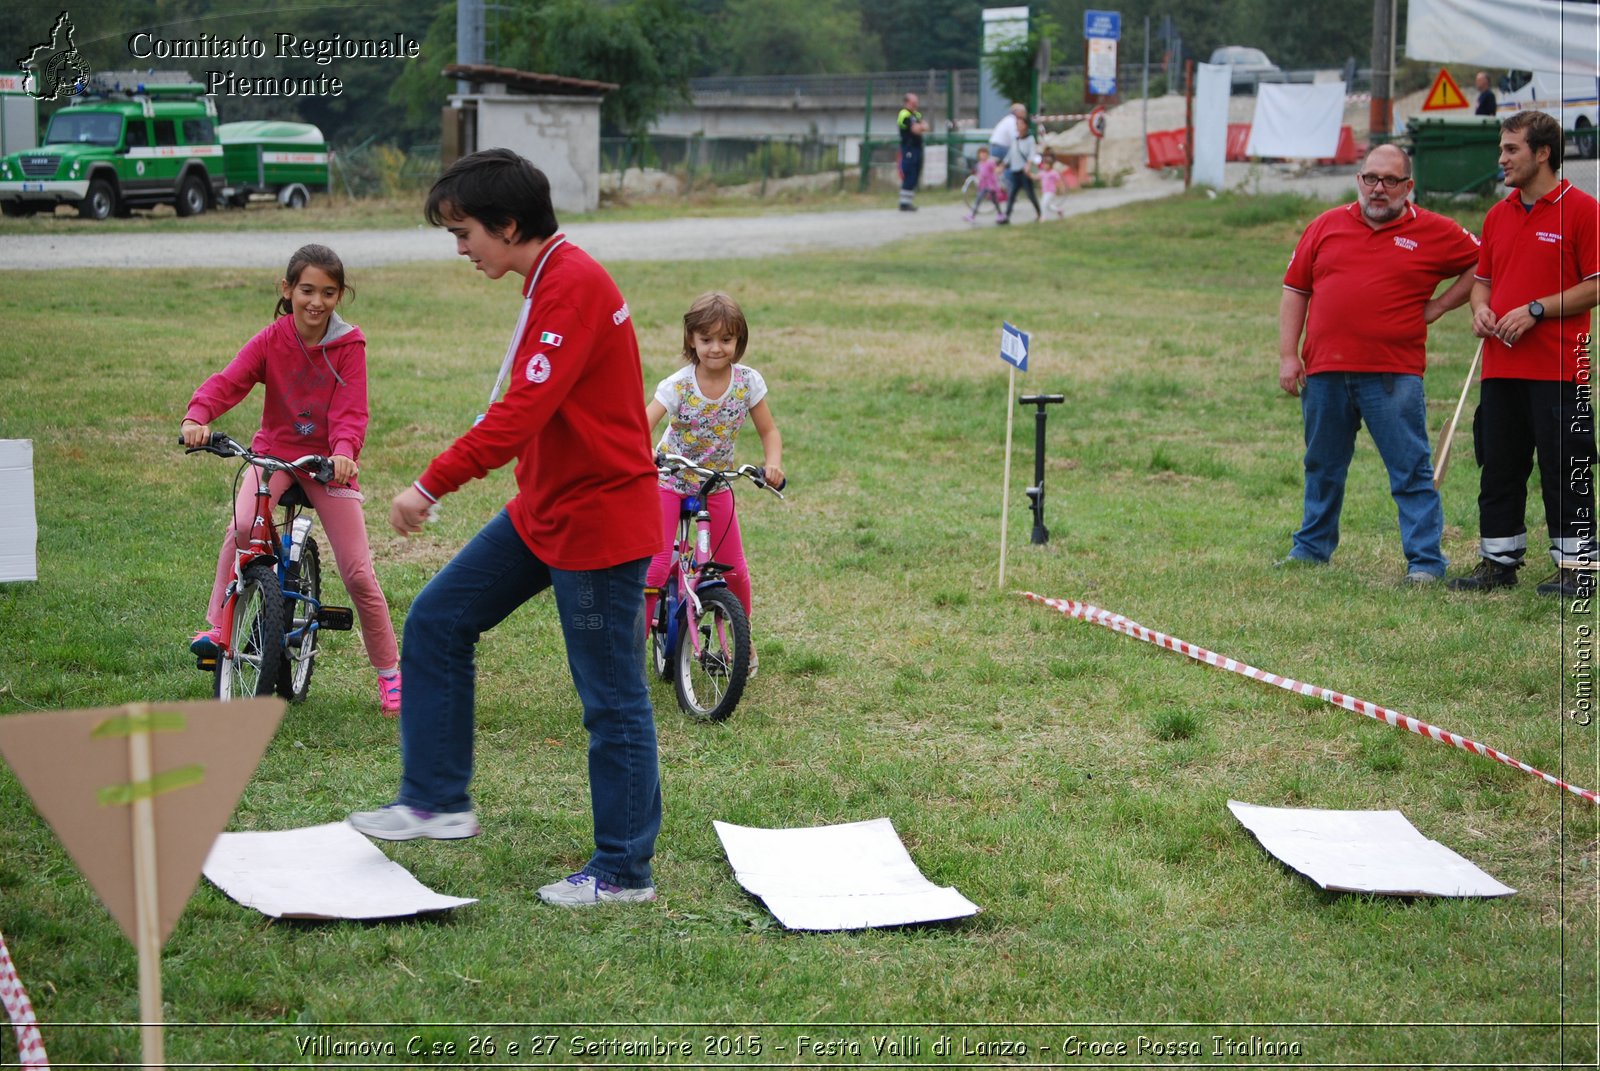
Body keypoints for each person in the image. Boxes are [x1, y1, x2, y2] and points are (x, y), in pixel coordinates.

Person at [346, 148, 664, 907]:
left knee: (612, 698)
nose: (461, 251)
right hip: (545, 510)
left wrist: (430, 483)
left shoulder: (575, 286)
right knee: (439, 619)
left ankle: (623, 871)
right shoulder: (548, 276)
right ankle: (436, 800)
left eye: (465, 234)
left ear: (508, 224)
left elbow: (520, 414)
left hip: (596, 528)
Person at [181, 244, 402, 714]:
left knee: (359, 574)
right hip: (273, 454)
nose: (316, 302)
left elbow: (350, 412)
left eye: (328, 292)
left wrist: (343, 454)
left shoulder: (349, 346)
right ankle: (217, 628)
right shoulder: (271, 339)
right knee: (243, 526)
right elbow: (231, 380)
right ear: (288, 290)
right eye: (306, 290)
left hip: (326, 463)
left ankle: (390, 674)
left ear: (340, 295)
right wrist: (198, 416)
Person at [1277, 144, 1481, 583]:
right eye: (1371, 178)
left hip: (1394, 374)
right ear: (1358, 180)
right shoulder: (1325, 226)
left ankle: (1425, 562)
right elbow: (1296, 289)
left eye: (1390, 181)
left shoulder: (1435, 230)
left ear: (1408, 187)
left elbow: (1485, 260)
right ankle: (1311, 549)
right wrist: (1288, 355)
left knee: (1411, 469)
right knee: (1322, 465)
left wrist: (1443, 304)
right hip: (1325, 371)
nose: (1378, 188)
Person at [1449, 111, 1600, 596]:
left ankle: (1579, 569)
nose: (1502, 159)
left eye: (1511, 149)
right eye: (1502, 149)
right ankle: (1498, 561)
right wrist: (1480, 311)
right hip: (1501, 368)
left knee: (1564, 467)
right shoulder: (1497, 214)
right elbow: (1483, 284)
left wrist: (1536, 309)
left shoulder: (1584, 210)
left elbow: (1595, 286)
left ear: (1543, 153)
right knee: (1499, 464)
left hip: (1560, 368)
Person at [644, 292, 784, 675]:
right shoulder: (678, 385)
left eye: (726, 339)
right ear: (691, 339)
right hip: (670, 479)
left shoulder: (747, 382)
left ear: (739, 341)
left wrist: (773, 464)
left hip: (715, 482)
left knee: (735, 570)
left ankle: (744, 640)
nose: (716, 348)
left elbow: (769, 432)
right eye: (706, 339)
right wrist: (642, 453)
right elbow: (643, 423)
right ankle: (627, 650)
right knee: (655, 569)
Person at [999, 116, 1041, 224]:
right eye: (1017, 124)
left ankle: (1039, 214)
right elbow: (1010, 154)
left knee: (1030, 194)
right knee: (1011, 195)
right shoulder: (1015, 139)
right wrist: (1003, 164)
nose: (1018, 126)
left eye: (1021, 124)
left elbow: (1032, 154)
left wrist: (1028, 165)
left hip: (1024, 172)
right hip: (1015, 171)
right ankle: (1006, 217)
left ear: (1026, 125)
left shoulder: (1030, 139)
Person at [897, 92, 928, 212]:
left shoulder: (916, 115)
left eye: (917, 102)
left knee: (915, 173)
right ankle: (904, 203)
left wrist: (921, 127)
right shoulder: (904, 114)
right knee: (909, 173)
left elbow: (926, 126)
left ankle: (908, 201)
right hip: (908, 148)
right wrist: (920, 127)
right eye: (913, 102)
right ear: (907, 102)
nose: (916, 104)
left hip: (917, 147)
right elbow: (915, 129)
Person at [964, 145, 1006, 222]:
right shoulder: (979, 164)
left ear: (987, 154)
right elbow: (979, 174)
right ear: (978, 155)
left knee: (995, 201)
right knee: (979, 200)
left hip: (991, 186)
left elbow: (995, 171)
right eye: (981, 153)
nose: (983, 155)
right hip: (983, 186)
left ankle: (1000, 214)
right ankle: (972, 215)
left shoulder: (990, 163)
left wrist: (1001, 168)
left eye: (985, 153)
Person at [1039, 155, 1069, 220]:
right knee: (1048, 205)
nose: (1045, 166)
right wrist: (1028, 173)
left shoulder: (1054, 173)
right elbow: (1036, 177)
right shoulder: (1043, 173)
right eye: (1044, 164)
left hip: (1051, 191)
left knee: (1043, 203)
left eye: (1046, 164)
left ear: (1050, 165)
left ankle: (1043, 217)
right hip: (1044, 191)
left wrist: (1061, 189)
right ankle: (1059, 210)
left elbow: (1059, 181)